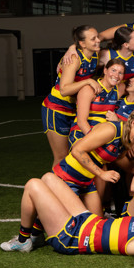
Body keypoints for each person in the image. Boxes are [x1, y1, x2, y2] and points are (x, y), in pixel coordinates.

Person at [0, 172, 134, 268]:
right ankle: (37, 236)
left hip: (73, 237)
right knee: (48, 178)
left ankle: (24, 241)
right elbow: (131, 216)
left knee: (33, 183)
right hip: (87, 220)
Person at [52, 111, 134, 216]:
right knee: (58, 221)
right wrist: (102, 173)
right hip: (68, 175)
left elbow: (118, 159)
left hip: (87, 181)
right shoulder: (111, 130)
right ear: (133, 123)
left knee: (96, 223)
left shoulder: (128, 139)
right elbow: (77, 150)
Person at [42, 25, 101, 167]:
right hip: (56, 108)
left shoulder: (95, 55)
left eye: (97, 37)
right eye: (93, 39)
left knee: (73, 153)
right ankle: (54, 188)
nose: (98, 40)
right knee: (61, 156)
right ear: (82, 43)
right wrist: (87, 81)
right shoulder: (74, 59)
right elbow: (64, 90)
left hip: (72, 109)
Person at [68, 59, 125, 148]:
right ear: (105, 70)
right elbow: (81, 122)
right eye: (113, 70)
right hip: (82, 133)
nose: (116, 75)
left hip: (103, 134)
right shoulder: (89, 89)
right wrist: (95, 140)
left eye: (120, 73)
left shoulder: (120, 88)